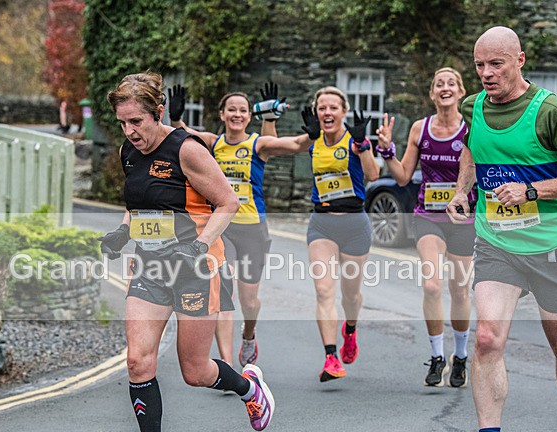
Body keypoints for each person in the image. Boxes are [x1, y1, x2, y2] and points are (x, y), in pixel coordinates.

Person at [100, 72, 276, 432]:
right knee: (138, 360)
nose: (130, 132)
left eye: (137, 122)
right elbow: (138, 203)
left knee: (194, 371)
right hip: (151, 269)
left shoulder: (188, 150)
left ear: (157, 113)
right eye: (123, 123)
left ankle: (248, 387)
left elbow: (228, 202)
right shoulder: (129, 151)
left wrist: (198, 246)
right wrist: (123, 232)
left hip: (196, 269)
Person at [446, 27, 557, 432]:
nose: (486, 73)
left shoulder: (552, 112)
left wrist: (533, 189)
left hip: (551, 243)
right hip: (496, 240)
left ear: (519, 60)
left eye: (496, 64)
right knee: (487, 339)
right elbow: (472, 151)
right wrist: (463, 191)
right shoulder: (474, 107)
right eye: (479, 65)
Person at [168, 82, 290, 369]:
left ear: (249, 116)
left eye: (243, 111)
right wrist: (175, 118)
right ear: (222, 114)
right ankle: (225, 362)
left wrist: (280, 120)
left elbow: (295, 144)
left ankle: (248, 335)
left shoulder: (257, 143)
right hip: (221, 228)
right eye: (231, 110)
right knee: (224, 293)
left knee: (249, 300)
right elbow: (180, 135)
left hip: (252, 228)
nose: (237, 114)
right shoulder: (212, 142)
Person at [271, 87, 380, 381]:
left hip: (355, 224)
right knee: (323, 290)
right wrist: (271, 118)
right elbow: (278, 145)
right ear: (316, 112)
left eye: (333, 108)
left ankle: (351, 329)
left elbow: (372, 175)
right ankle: (331, 356)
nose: (327, 113)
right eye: (322, 108)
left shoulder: (355, 141)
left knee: (351, 294)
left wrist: (363, 143)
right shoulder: (313, 140)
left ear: (343, 111)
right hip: (322, 223)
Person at [376, 68, 475, 388]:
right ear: (432, 94)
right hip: (428, 216)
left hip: (462, 218)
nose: (444, 88)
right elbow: (403, 176)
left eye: (451, 83)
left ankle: (460, 356)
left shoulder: (471, 128)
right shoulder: (421, 128)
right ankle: (436, 356)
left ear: (460, 92)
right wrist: (387, 150)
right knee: (432, 285)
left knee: (459, 288)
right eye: (438, 84)